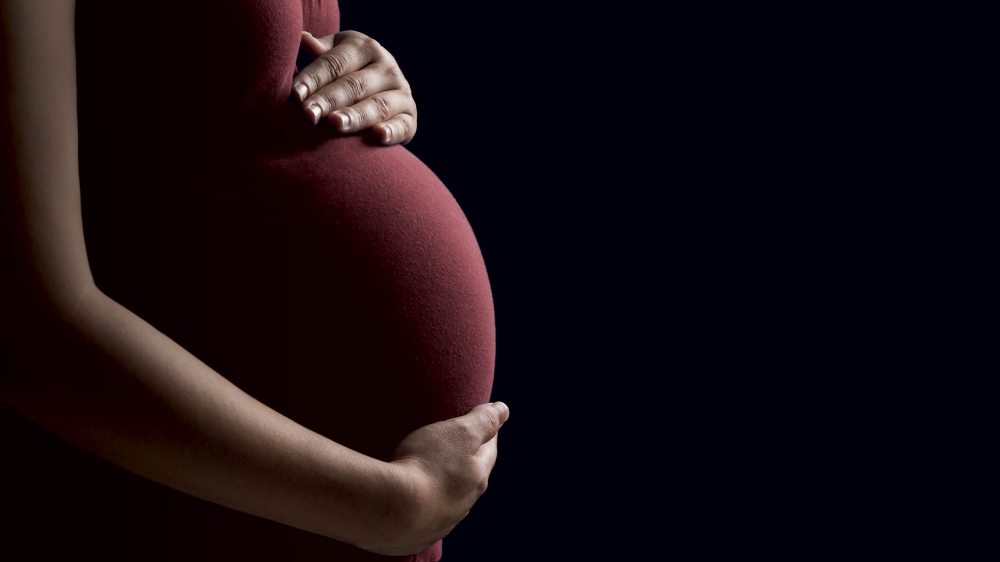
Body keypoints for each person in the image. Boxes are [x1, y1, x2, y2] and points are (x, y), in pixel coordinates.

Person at [0, 1, 506, 560]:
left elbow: (228, 105)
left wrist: (357, 71)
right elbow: (32, 332)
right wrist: (388, 506)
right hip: (181, 509)